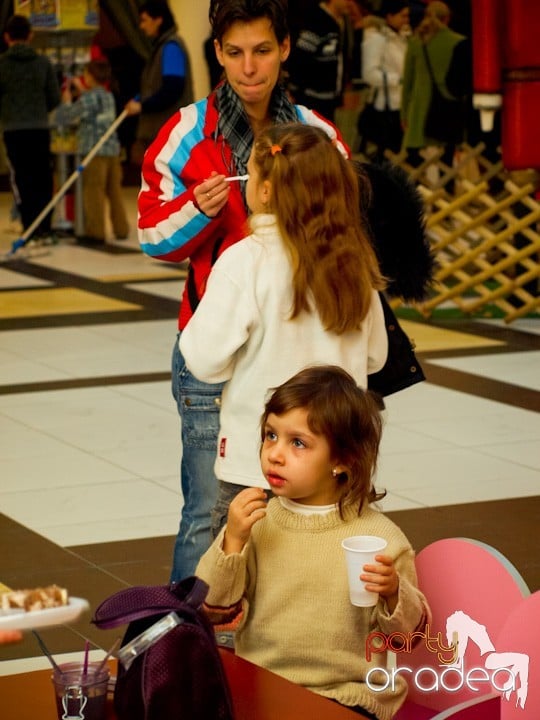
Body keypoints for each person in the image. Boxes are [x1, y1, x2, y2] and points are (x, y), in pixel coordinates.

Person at [137, 0, 348, 584]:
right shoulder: (185, 132)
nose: (248, 68)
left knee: (305, 511)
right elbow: (152, 236)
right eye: (234, 53)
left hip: (300, 356)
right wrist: (196, 212)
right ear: (217, 54)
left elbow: (347, 228)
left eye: (261, 51)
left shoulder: (318, 134)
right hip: (214, 358)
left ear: (284, 49)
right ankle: (185, 649)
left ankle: (274, 645)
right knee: (209, 514)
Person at [180, 122, 388, 535]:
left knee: (246, 584)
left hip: (258, 468)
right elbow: (376, 356)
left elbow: (203, 359)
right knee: (323, 580)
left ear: (267, 191)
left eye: (251, 175)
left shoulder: (246, 261)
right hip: (334, 465)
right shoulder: (354, 262)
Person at [196, 365, 430, 720]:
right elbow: (212, 607)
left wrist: (394, 592)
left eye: (298, 443)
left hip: (346, 696)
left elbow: (408, 638)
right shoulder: (260, 523)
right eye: (270, 435)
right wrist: (232, 541)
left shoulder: (381, 539)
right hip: (263, 685)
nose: (274, 453)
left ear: (342, 460)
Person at [0, 14, 60, 242]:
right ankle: (45, 226)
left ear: (7, 37)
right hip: (39, 127)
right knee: (43, 177)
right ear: (31, 36)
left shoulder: (2, 65)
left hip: (13, 130)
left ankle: (29, 226)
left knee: (21, 179)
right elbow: (54, 98)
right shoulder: (43, 63)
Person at [57, 60, 129, 246]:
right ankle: (121, 229)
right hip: (112, 150)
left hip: (93, 151)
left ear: (90, 76)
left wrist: (66, 102)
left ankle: (95, 232)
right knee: (114, 191)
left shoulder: (87, 98)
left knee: (93, 192)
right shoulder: (108, 96)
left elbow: (69, 116)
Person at [401, 1, 469, 168]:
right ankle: (447, 192)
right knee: (447, 162)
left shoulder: (416, 42)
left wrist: (404, 114)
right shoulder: (459, 41)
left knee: (417, 163)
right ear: (447, 19)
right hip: (450, 109)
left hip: (420, 111)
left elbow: (407, 82)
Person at [125, 1, 193, 162]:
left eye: (144, 20)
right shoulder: (161, 48)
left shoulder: (171, 48)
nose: (141, 26)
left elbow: (172, 89)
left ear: (158, 20)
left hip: (167, 133)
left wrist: (142, 106)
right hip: (162, 132)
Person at [359, 0, 410, 159]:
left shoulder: (402, 39)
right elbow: (369, 73)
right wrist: (399, 80)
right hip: (385, 106)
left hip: (402, 104)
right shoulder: (377, 40)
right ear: (390, 16)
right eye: (403, 16)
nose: (406, 20)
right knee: (386, 154)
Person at [287, 0, 352, 122]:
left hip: (329, 98)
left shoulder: (340, 22)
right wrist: (294, 90)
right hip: (312, 98)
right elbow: (300, 59)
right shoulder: (316, 21)